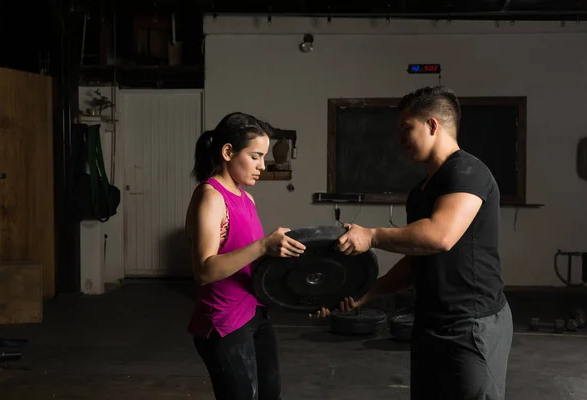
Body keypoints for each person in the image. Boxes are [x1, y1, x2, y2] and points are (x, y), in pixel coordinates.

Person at [313, 85, 513, 400]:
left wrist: (372, 235)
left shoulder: (468, 172)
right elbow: (418, 257)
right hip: (430, 322)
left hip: (471, 323)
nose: (400, 139)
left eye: (407, 128)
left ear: (432, 125)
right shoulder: (421, 191)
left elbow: (439, 236)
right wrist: (368, 293)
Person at [185, 112, 306, 400]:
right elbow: (204, 270)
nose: (262, 166)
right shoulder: (211, 197)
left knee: (269, 394)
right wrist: (264, 245)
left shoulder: (246, 198)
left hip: (254, 314)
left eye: (263, 157)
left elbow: (250, 262)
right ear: (228, 152)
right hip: (223, 322)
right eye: (255, 156)